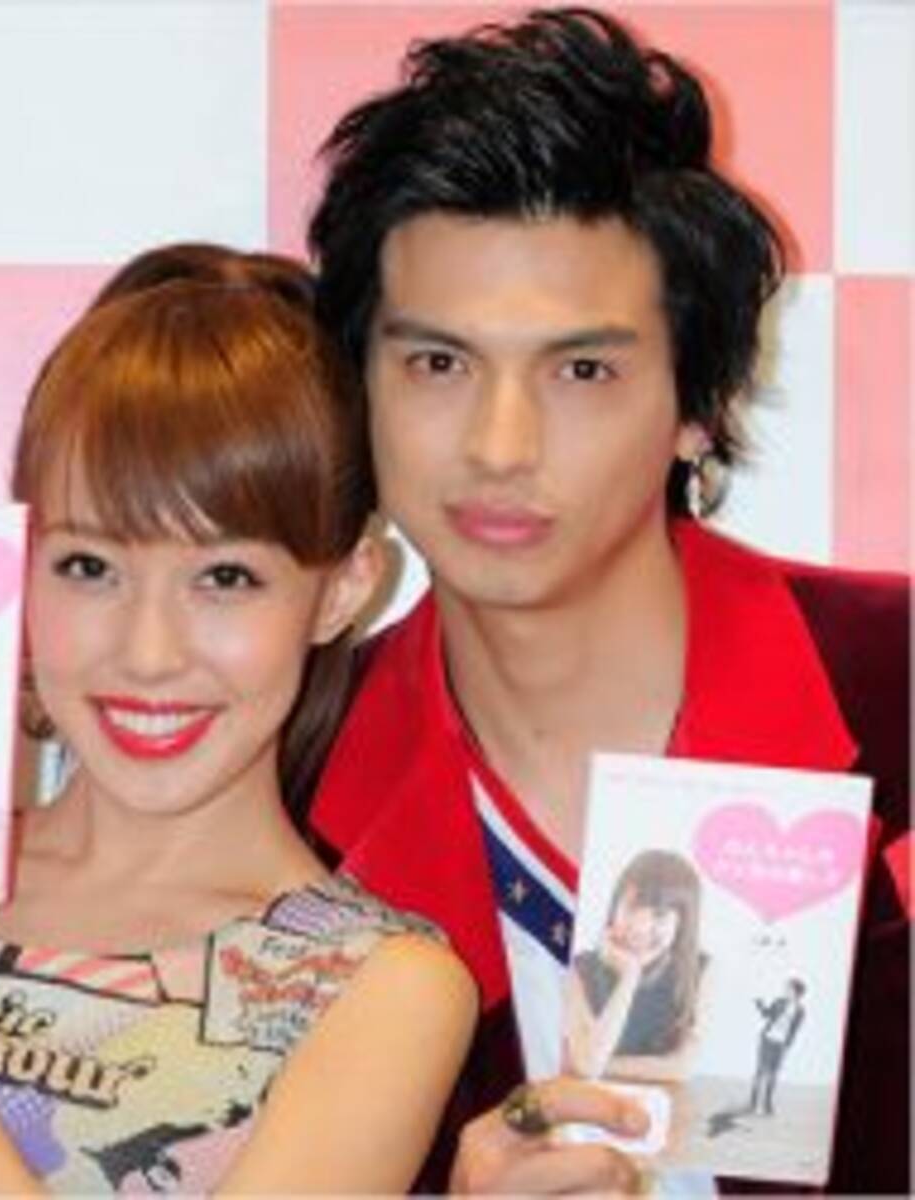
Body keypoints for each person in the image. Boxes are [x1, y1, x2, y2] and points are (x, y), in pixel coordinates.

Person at [0, 245, 477, 1195]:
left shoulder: (376, 986)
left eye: (226, 578)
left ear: (344, 588)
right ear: (20, 562)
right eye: (90, 567)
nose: (148, 652)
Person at [303, 6, 909, 1194]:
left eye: (582, 370)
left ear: (699, 406)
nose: (499, 445)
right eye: (438, 363)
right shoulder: (287, 784)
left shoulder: (891, 690)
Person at [564, 850, 708, 1082]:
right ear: (614, 906)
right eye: (631, 908)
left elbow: (681, 1068)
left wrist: (596, 1064)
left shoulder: (700, 971)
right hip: (586, 1099)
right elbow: (588, 1066)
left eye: (659, 915)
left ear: (683, 923)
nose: (640, 927)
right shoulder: (579, 969)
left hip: (663, 1100)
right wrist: (629, 977)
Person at [746, 978, 806, 1117]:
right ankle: (753, 1104)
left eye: (788, 988)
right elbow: (766, 1015)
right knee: (760, 1071)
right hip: (767, 1039)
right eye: (786, 988)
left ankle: (767, 1104)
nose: (785, 990)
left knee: (774, 1074)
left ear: (796, 992)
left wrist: (787, 1046)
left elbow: (794, 1030)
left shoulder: (800, 1011)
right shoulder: (779, 1002)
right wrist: (759, 1004)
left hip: (781, 1044)